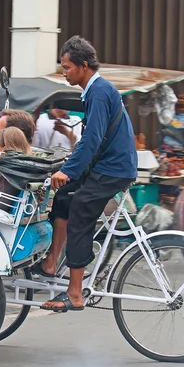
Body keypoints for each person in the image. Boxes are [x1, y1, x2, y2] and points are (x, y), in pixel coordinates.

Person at [34, 35, 137, 312]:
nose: (64, 72)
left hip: (114, 168)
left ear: (82, 65)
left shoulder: (99, 91)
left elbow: (92, 138)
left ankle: (76, 293)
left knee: (80, 209)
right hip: (105, 165)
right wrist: (67, 172)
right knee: (64, 197)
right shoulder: (91, 91)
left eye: (66, 67)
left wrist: (68, 170)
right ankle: (52, 262)